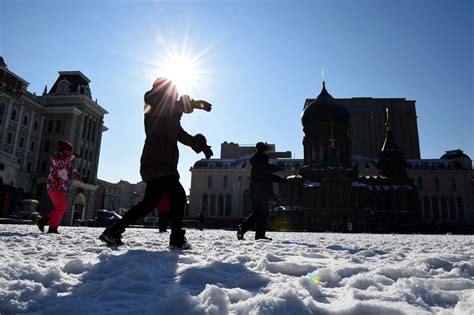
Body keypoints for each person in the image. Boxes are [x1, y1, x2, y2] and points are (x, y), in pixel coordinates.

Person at [99, 77, 213, 249]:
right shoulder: (154, 105)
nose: (174, 95)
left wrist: (201, 146)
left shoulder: (171, 115)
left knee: (148, 204)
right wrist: (195, 104)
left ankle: (113, 231)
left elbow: (182, 135)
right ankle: (176, 238)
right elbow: (172, 107)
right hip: (158, 162)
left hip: (161, 163)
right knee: (178, 196)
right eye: (173, 91)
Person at [237, 142, 286, 241]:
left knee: (260, 213)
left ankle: (257, 235)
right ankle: (244, 228)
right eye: (267, 150)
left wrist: (281, 180)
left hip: (258, 191)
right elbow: (267, 169)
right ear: (263, 150)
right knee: (261, 213)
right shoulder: (260, 159)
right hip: (259, 191)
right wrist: (279, 168)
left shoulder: (259, 160)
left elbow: (267, 175)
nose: (269, 152)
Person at [35, 140, 84, 234]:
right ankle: (48, 224)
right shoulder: (55, 157)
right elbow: (60, 163)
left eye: (71, 151)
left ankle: (47, 224)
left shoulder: (66, 161)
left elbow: (71, 171)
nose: (70, 152)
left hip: (61, 188)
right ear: (63, 150)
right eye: (68, 150)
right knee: (61, 207)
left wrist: (82, 178)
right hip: (54, 186)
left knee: (61, 208)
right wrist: (72, 156)